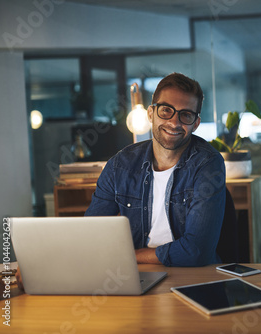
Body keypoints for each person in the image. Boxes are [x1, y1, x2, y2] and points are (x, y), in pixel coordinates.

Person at [85, 72, 226, 267]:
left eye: (185, 114)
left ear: (196, 124)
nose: (174, 122)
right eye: (166, 110)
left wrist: (130, 256)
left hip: (191, 274)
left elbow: (196, 251)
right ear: (151, 113)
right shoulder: (120, 165)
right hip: (133, 274)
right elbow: (90, 234)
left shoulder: (207, 164)